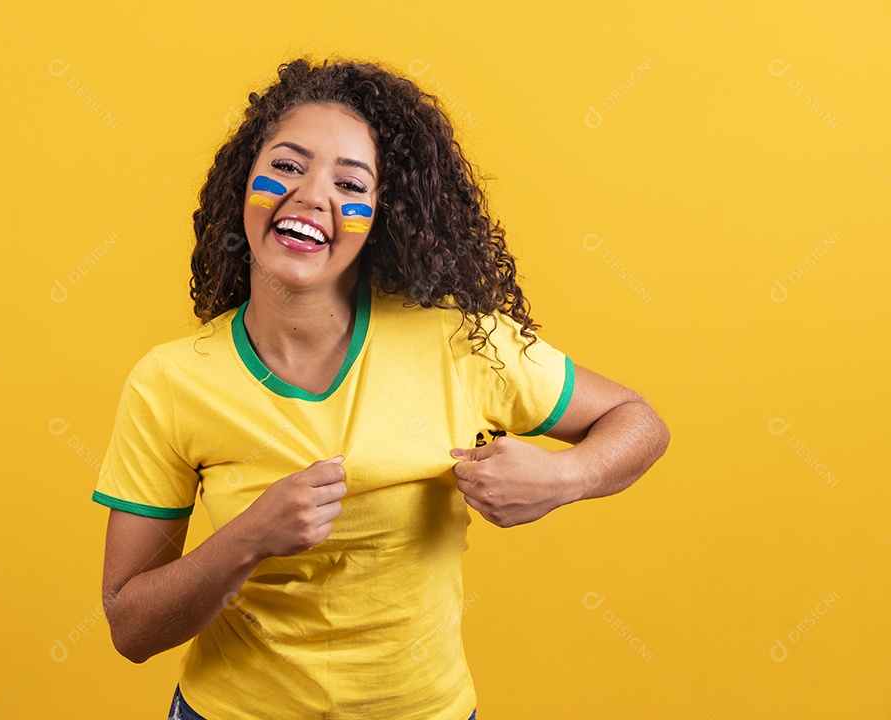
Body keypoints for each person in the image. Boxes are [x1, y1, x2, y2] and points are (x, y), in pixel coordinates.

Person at [92, 57, 670, 720]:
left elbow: (638, 420)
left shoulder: (459, 342)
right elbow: (131, 627)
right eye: (287, 165)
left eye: (350, 183)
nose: (312, 195)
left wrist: (563, 477)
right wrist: (246, 539)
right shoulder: (170, 381)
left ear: (381, 215)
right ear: (244, 182)